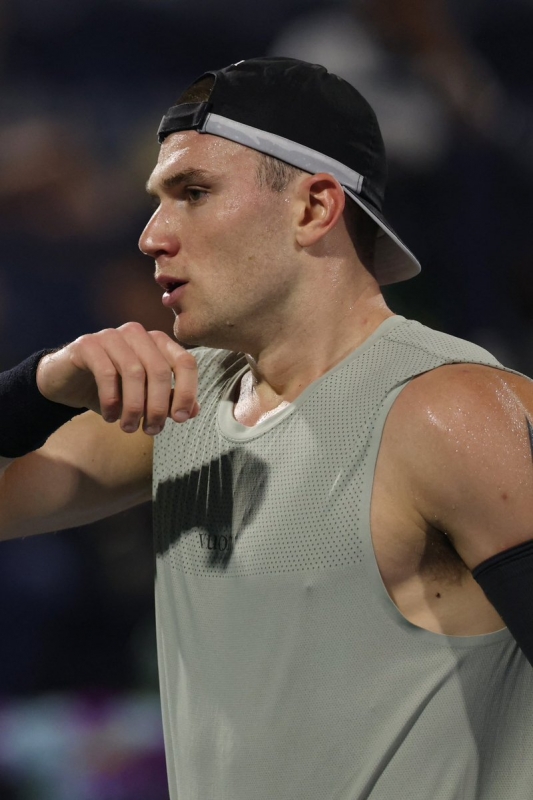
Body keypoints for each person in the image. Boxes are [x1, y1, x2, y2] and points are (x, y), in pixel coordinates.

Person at [1, 57, 533, 799]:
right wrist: (37, 385)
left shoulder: (452, 409)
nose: (152, 236)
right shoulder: (181, 408)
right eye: (157, 201)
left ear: (314, 207)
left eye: (193, 193)